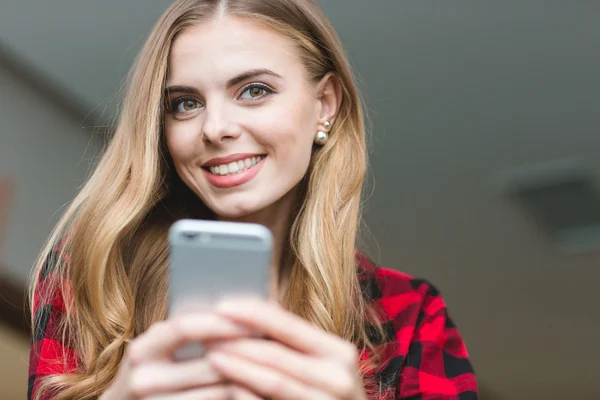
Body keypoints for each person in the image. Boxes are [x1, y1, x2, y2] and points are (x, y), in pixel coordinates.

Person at [28, 0, 478, 399]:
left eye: (254, 90)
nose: (214, 127)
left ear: (325, 104)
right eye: (185, 103)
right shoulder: (95, 272)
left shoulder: (411, 317)